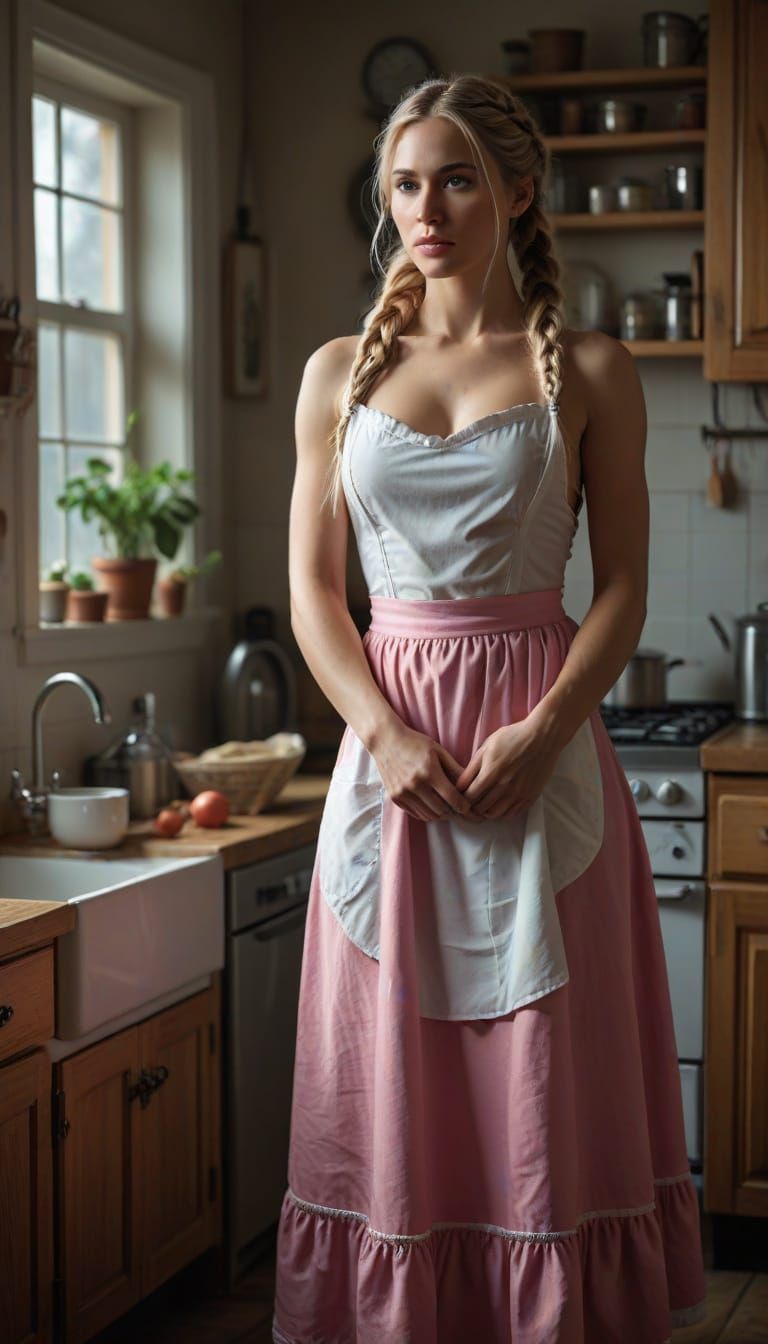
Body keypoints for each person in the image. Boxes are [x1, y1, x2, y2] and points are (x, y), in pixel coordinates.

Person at [273, 72, 707, 1344]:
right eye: (405, 182)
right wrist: (385, 733)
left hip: (543, 754)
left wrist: (551, 725)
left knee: (538, 1079)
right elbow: (310, 594)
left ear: (519, 192)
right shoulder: (334, 377)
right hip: (391, 769)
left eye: (456, 178)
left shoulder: (589, 368)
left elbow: (623, 589)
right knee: (397, 1081)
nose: (426, 208)